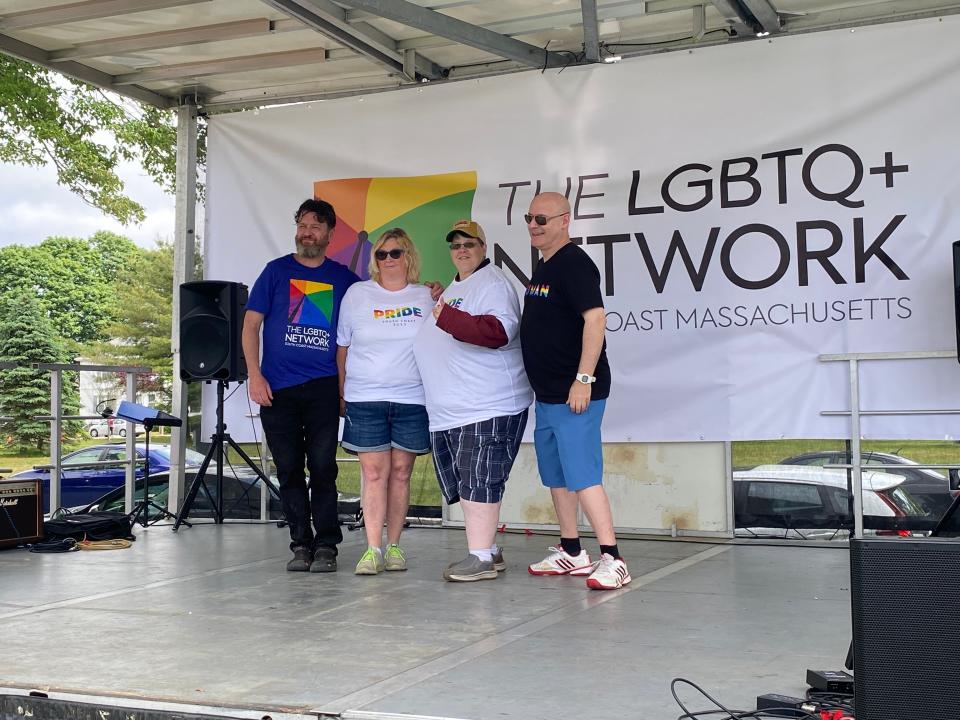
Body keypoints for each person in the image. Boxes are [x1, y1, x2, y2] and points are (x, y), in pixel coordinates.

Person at [519, 192, 631, 591]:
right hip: (548, 395)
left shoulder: (574, 264)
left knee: (583, 474)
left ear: (565, 221)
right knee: (558, 475)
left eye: (542, 219)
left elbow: (596, 318)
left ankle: (613, 558)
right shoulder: (544, 265)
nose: (533, 225)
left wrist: (583, 379)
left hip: (575, 393)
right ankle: (571, 550)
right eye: (530, 218)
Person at [243, 198, 359, 573]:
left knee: (323, 467)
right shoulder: (275, 272)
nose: (306, 232)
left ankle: (327, 544)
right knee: (289, 468)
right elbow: (250, 326)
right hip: (278, 389)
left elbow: (379, 302)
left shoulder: (344, 278)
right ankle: (300, 544)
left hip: (324, 386)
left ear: (329, 233)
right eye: (302, 225)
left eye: (315, 226)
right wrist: (255, 376)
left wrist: (427, 293)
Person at [413, 220, 533, 582]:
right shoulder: (457, 285)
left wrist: (448, 317)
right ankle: (488, 549)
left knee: (480, 479)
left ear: (484, 247)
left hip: (488, 405)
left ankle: (480, 557)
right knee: (470, 482)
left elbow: (498, 332)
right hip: (455, 409)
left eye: (469, 243)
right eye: (455, 245)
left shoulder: (493, 282)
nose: (462, 249)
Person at [336, 229, 433, 575]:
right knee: (374, 474)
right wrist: (341, 391)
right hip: (366, 397)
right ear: (374, 260)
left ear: (409, 256)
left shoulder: (426, 296)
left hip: (412, 398)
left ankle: (395, 546)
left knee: (402, 474)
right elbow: (343, 347)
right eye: (381, 254)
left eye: (396, 252)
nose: (388, 259)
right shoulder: (357, 294)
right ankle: (372, 548)